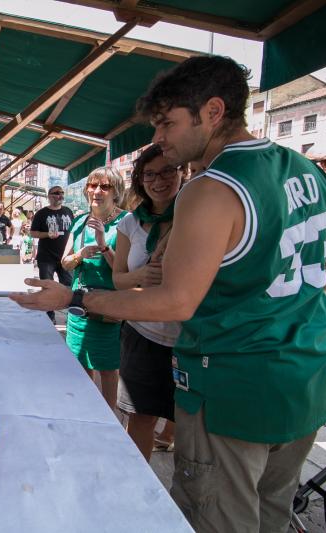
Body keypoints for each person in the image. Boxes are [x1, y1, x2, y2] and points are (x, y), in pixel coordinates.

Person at [11, 56, 326, 533]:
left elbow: (175, 301)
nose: (158, 138)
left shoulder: (211, 188)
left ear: (214, 111)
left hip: (233, 389)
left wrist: (73, 300)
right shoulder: (306, 170)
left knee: (217, 518)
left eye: (167, 123)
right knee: (272, 516)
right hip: (305, 381)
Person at [111, 144, 184, 462]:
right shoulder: (129, 223)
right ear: (140, 180)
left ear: (181, 172)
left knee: (187, 421)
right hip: (142, 332)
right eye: (149, 174)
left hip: (188, 337)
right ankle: (137, 489)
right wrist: (145, 274)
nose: (159, 181)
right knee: (140, 417)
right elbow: (118, 280)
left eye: (168, 170)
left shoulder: (196, 214)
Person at [58, 167, 127, 410]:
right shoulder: (79, 222)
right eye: (92, 186)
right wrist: (80, 254)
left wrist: (103, 245)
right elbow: (65, 263)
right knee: (80, 364)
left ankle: (109, 417)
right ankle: (84, 410)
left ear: (116, 192)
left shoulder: (126, 222)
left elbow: (127, 271)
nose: (97, 191)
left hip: (109, 311)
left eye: (104, 186)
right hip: (79, 309)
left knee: (108, 369)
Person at [30, 185, 74, 321]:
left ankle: (71, 317)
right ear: (49, 196)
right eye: (56, 193)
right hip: (46, 258)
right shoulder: (42, 213)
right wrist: (47, 234)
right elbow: (33, 233)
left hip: (65, 257)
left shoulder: (68, 211)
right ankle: (49, 317)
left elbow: (72, 231)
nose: (60, 195)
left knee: (68, 287)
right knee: (47, 288)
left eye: (61, 193)